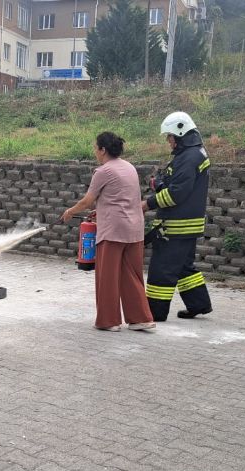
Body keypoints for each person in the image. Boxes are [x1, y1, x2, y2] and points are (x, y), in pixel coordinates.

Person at [62, 132, 156, 332]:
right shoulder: (129, 167)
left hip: (113, 231)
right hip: (135, 229)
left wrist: (70, 212)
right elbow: (122, 197)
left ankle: (109, 321)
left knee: (107, 277)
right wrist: (101, 209)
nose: (95, 152)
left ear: (103, 150)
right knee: (132, 275)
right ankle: (141, 318)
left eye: (96, 148)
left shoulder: (103, 171)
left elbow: (87, 201)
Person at [142, 111, 212, 321]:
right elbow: (177, 185)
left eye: (169, 137)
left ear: (180, 133)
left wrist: (148, 203)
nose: (168, 141)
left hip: (176, 226)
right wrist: (160, 183)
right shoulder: (194, 154)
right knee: (183, 267)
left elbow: (176, 194)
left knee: (161, 270)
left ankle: (154, 312)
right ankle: (198, 305)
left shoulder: (189, 157)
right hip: (187, 225)